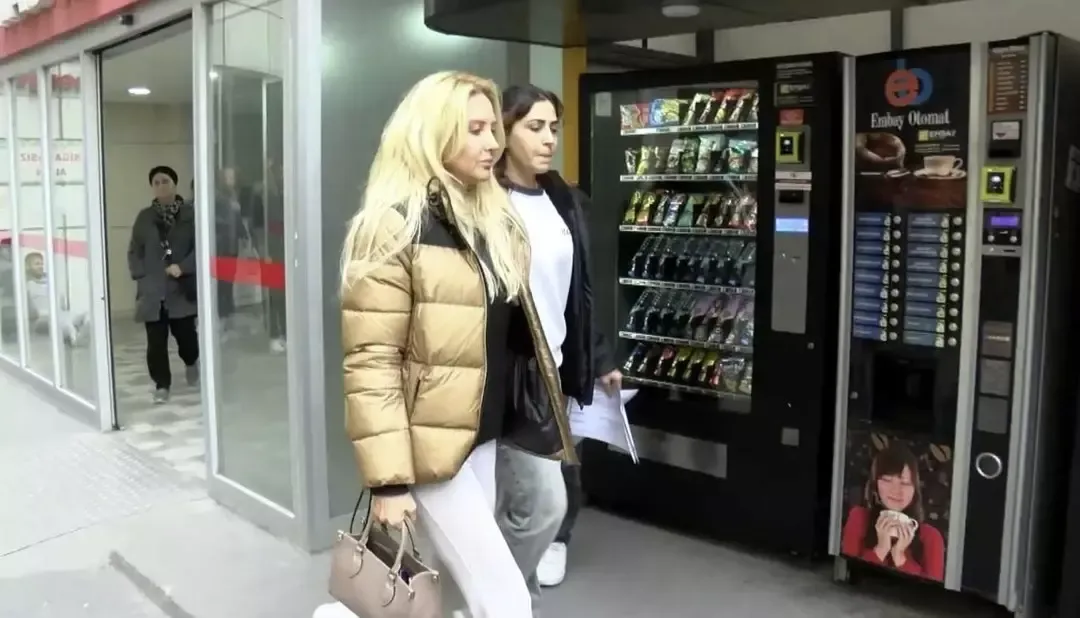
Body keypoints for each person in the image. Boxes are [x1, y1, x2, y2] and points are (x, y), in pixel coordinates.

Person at [337, 71, 576, 618]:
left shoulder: (489, 220)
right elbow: (372, 362)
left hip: (481, 438)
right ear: (433, 133)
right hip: (429, 454)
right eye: (475, 129)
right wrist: (389, 483)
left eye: (493, 128)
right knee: (506, 599)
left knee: (451, 586)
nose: (492, 142)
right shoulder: (392, 226)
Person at [493, 85, 620, 605]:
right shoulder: (486, 201)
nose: (549, 139)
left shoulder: (565, 199)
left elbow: (579, 290)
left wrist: (600, 357)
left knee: (535, 496)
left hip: (560, 369)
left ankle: (509, 598)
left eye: (553, 128)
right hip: (510, 375)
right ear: (505, 130)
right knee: (538, 501)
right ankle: (492, 598)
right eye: (534, 127)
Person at [127, 165, 199, 404]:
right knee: (155, 343)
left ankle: (191, 361)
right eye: (156, 183)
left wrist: (184, 267)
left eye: (165, 181)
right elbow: (134, 250)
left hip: (180, 288)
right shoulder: (145, 217)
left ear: (175, 184)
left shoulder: (190, 215)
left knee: (186, 337)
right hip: (153, 291)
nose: (161, 186)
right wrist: (142, 276)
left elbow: (201, 247)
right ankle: (162, 384)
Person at [840, 441, 946, 581]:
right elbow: (848, 576)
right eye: (887, 480)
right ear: (875, 485)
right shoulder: (859, 517)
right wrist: (881, 549)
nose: (896, 490)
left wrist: (900, 557)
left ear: (915, 490)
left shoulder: (931, 537)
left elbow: (931, 591)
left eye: (905, 483)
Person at [23, 251, 90, 346]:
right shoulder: (25, 283)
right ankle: (75, 340)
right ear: (28, 266)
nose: (41, 266)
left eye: (41, 264)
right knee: (66, 323)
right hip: (42, 317)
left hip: (60, 313)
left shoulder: (49, 280)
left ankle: (79, 336)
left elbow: (61, 299)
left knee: (86, 315)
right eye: (37, 264)